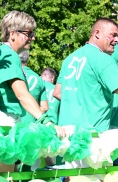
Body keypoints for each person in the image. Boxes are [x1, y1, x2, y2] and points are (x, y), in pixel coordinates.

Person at [0, 10, 65, 172]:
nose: (33, 38)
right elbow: (21, 94)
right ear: (12, 33)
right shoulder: (9, 55)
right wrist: (47, 122)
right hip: (4, 122)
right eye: (28, 33)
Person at [19, 50, 48, 123]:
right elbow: (44, 107)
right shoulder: (39, 79)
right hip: (31, 124)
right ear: (27, 59)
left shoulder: (10, 73)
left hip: (10, 122)